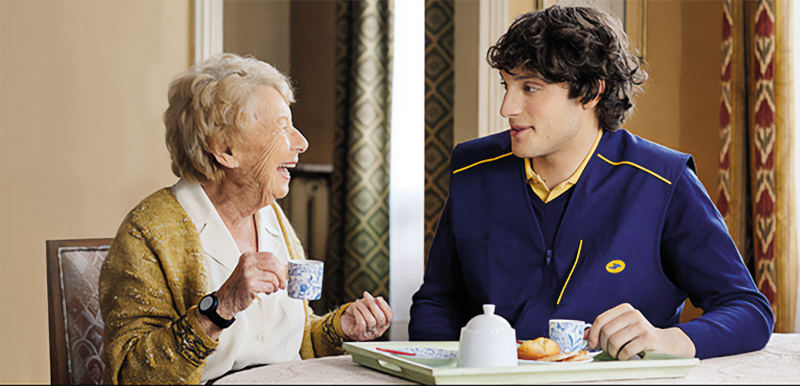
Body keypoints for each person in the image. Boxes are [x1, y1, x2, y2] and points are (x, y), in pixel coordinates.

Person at [409, 5, 773, 360]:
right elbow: (437, 301)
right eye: (506, 85)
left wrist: (669, 340)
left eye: (530, 88)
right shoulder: (473, 169)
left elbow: (748, 310)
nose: (507, 107)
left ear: (591, 92)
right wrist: (453, 367)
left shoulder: (663, 182)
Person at [99, 53, 393, 384]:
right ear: (225, 150)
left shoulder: (271, 218)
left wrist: (341, 327)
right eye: (282, 128)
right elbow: (130, 375)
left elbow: (295, 340)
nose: (302, 142)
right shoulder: (149, 230)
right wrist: (220, 307)